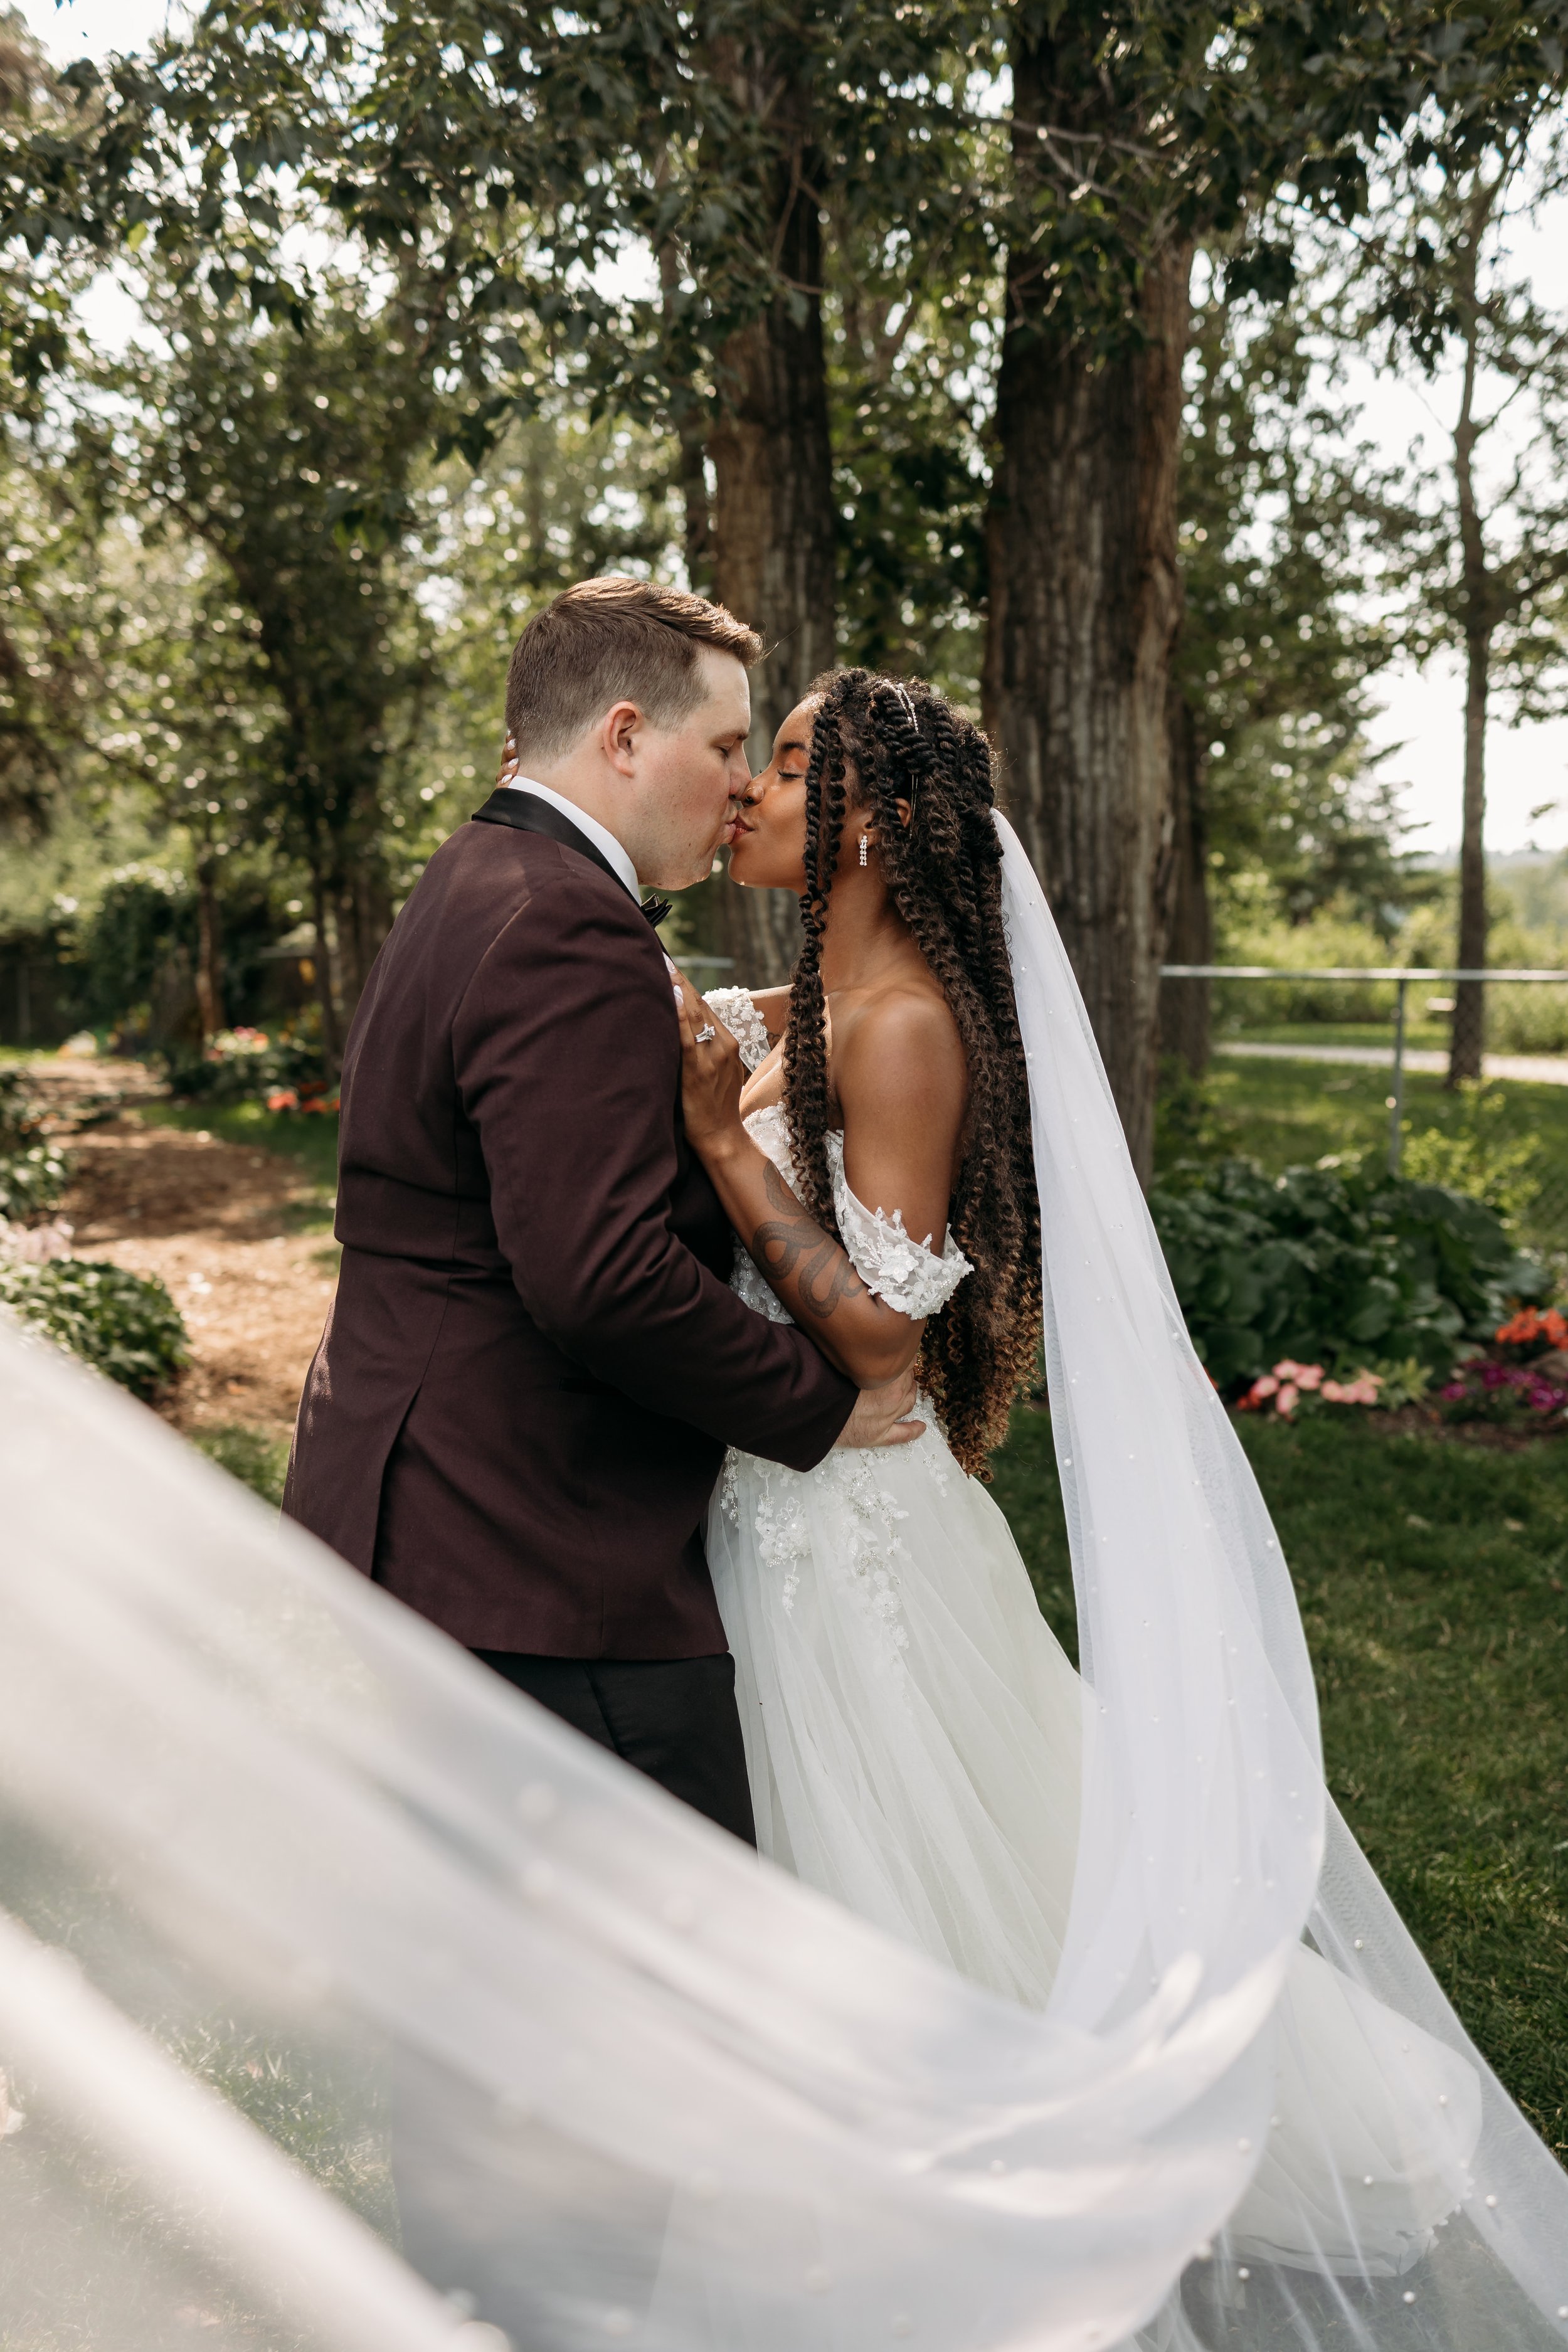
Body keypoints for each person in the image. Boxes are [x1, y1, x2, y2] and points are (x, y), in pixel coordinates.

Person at [667, 667, 1567, 2329]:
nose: (753, 794)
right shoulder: (808, 1006)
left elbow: (876, 1326)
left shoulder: (908, 1024)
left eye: (787, 768)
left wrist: (726, 1145)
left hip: (849, 1546)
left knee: (931, 1896)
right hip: (773, 1519)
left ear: (867, 818)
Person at [283, 580, 922, 1851]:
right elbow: (599, 1276)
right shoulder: (565, 924)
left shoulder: (491, 875)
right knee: (675, 1973)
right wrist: (820, 1405)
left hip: (436, 1508)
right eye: (729, 746)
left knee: (507, 1962)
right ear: (625, 736)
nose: (744, 785)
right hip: (532, 1550)